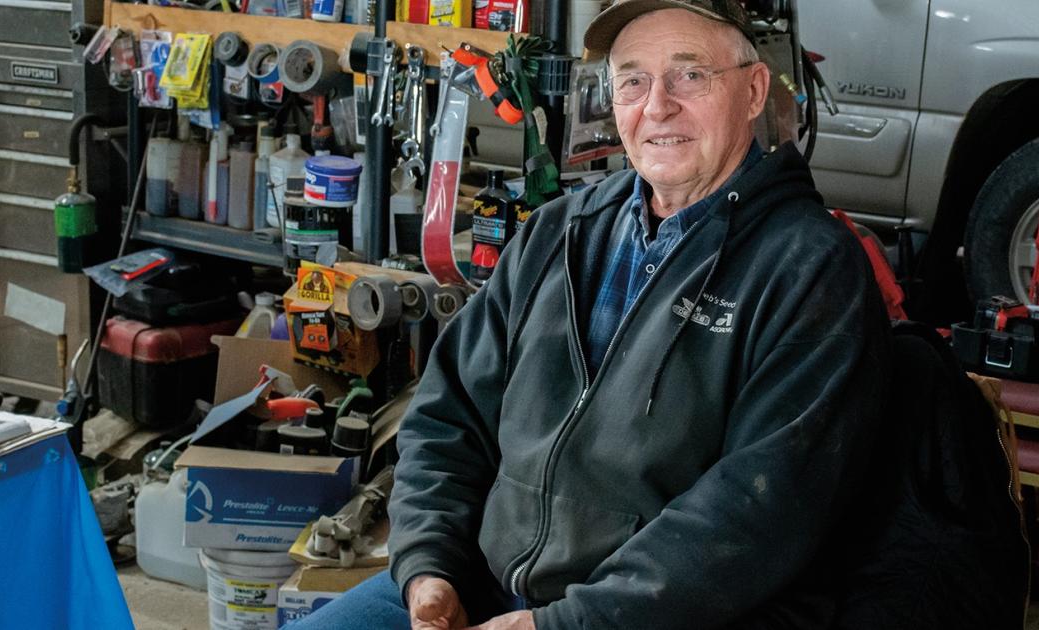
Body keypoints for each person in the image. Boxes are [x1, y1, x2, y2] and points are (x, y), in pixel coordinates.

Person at [287, 1, 890, 628]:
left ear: (753, 90)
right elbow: (449, 415)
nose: (657, 106)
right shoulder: (559, 232)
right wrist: (429, 568)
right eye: (633, 80)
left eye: (690, 75)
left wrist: (567, 623)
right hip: (486, 582)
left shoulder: (810, 268)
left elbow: (759, 513)